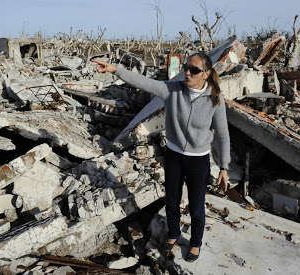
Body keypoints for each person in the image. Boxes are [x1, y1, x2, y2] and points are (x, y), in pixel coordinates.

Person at [92, 52, 230, 262]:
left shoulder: (215, 98)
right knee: (172, 201)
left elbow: (222, 134)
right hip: (174, 155)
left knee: (196, 206)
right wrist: (115, 69)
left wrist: (224, 166)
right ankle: (173, 233)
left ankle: (195, 242)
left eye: (193, 70)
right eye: (186, 67)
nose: (187, 73)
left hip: (198, 160)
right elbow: (144, 82)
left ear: (206, 73)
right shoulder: (173, 90)